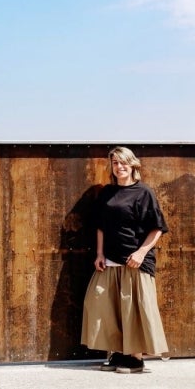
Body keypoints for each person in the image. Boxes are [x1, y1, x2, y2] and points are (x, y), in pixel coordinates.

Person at [81, 146, 169, 374]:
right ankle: (118, 352)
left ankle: (136, 358)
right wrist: (100, 254)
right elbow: (100, 226)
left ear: (133, 165)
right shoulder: (107, 193)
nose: (119, 167)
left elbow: (157, 228)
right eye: (115, 163)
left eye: (123, 163)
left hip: (135, 261)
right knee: (106, 306)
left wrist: (141, 253)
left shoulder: (143, 192)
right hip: (110, 259)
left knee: (133, 310)